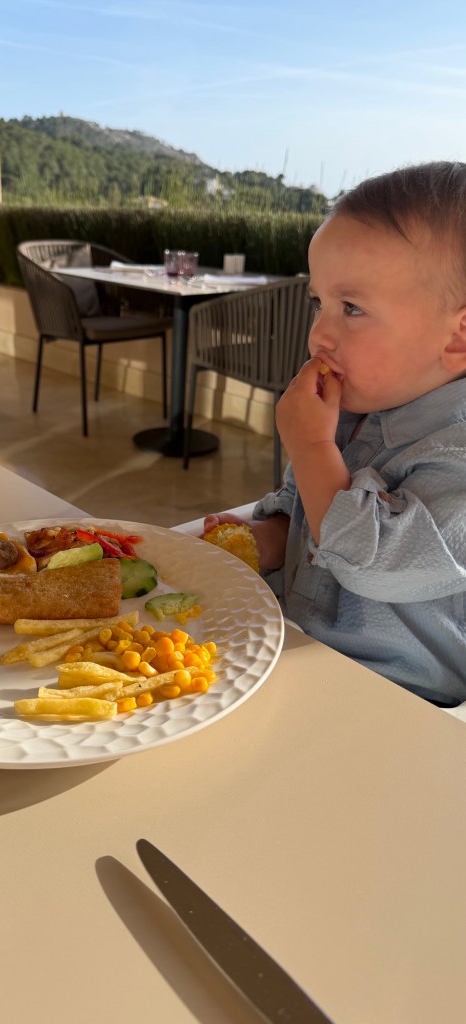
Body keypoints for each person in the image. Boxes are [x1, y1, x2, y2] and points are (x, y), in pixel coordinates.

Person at [204, 161, 466, 707]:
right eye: (318, 303)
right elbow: (304, 505)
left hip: (394, 707)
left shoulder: (455, 453)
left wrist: (311, 446)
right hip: (293, 649)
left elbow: (376, 562)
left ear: (458, 337)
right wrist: (267, 536)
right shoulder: (351, 410)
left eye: (352, 308)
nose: (319, 334)